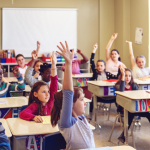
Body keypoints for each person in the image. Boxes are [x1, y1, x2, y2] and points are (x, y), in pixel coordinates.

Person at [51, 41, 95, 150]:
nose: (85, 102)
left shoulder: (81, 118)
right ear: (71, 103)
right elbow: (68, 92)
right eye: (81, 99)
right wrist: (68, 63)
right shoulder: (66, 123)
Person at [19, 51, 58, 122]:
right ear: (35, 94)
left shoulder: (51, 100)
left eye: (48, 91)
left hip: (51, 130)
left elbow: (54, 80)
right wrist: (34, 117)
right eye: (43, 92)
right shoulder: (35, 105)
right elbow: (22, 114)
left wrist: (54, 65)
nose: (47, 94)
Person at [115, 67, 150, 143]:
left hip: (135, 108)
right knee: (130, 112)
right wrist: (123, 77)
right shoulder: (118, 85)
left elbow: (137, 96)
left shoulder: (134, 85)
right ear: (122, 76)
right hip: (124, 109)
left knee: (148, 113)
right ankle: (123, 135)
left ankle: (123, 135)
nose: (128, 77)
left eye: (129, 76)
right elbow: (121, 92)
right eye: (125, 75)